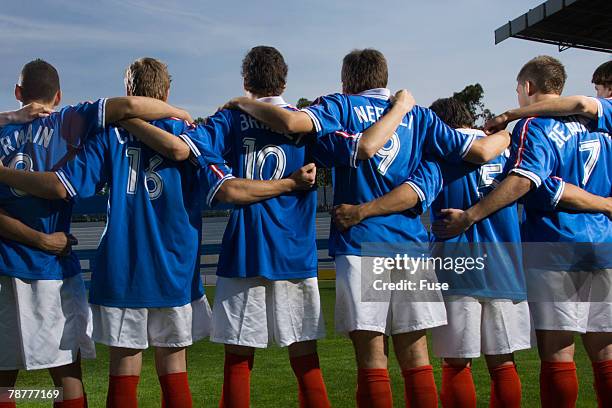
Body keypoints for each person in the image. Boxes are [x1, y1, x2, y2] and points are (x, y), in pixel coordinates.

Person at [221, 48, 512, 407]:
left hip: (361, 245)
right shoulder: (420, 117)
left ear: (347, 80)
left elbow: (303, 130)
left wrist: (239, 103)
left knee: (372, 358)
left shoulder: (340, 108)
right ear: (384, 79)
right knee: (416, 357)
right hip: (411, 246)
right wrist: (508, 135)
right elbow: (482, 151)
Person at [0, 58, 189, 408]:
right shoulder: (70, 121)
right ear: (58, 95)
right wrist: (177, 112)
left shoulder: (102, 138)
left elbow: (62, 184)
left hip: (29, 264)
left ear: (17, 92)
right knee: (68, 375)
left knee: (4, 382)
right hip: (59, 269)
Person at [435, 55, 612, 408]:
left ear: (528, 87)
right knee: (605, 352)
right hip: (605, 245)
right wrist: (606, 205)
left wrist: (471, 215)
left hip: (556, 243)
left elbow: (530, 183)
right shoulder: (602, 123)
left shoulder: (537, 126)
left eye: (518, 90)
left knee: (559, 353)